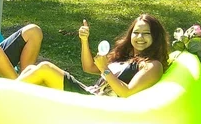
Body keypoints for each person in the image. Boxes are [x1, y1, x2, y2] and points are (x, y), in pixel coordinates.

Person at [16, 14, 169, 97]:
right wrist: (84, 41)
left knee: (45, 68)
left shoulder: (152, 65)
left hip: (96, 104)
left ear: (156, 37)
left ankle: (5, 95)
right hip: (90, 93)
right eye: (136, 32)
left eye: (146, 33)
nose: (140, 37)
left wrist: (105, 69)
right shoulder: (126, 56)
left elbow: (127, 92)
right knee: (31, 69)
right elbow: (88, 67)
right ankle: (10, 97)